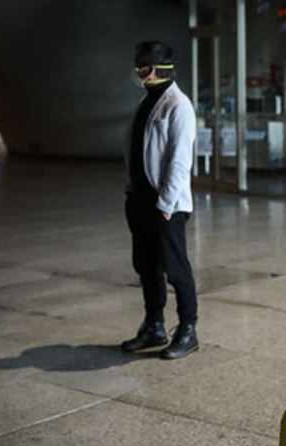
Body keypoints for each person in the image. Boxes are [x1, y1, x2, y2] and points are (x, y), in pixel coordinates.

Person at [122, 41, 199, 359]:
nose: (136, 71)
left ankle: (188, 330)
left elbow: (180, 161)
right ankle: (154, 325)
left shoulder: (178, 105)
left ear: (153, 68)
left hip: (166, 205)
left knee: (176, 269)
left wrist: (166, 204)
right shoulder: (147, 101)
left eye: (140, 66)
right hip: (140, 199)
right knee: (147, 266)